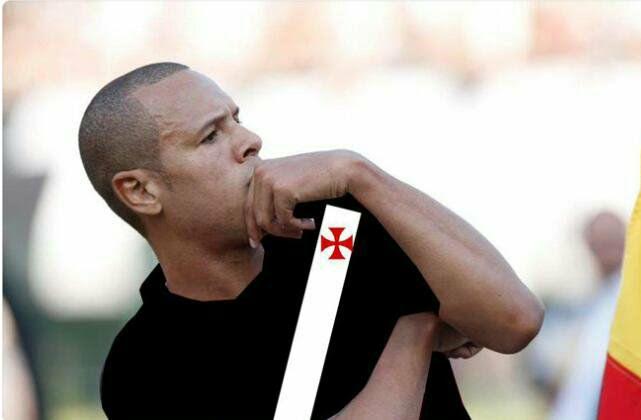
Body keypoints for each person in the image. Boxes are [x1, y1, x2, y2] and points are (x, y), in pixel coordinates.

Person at [78, 62, 544, 419]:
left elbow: (516, 321)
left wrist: (358, 172)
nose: (250, 141)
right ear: (140, 191)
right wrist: (417, 326)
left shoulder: (336, 225)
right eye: (210, 137)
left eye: (237, 120)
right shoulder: (143, 367)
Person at [549, 211, 625, 420]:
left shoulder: (638, 295)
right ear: (589, 245)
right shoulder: (589, 301)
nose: (607, 247)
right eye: (601, 240)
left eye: (612, 238)